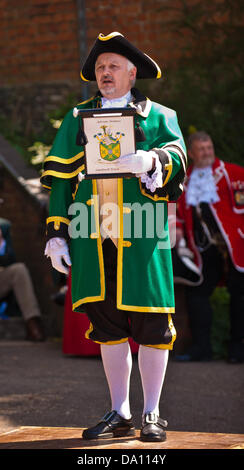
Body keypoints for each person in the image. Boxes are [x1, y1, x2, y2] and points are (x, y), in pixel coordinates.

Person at [41, 32, 187, 442]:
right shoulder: (76, 117)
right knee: (107, 325)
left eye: (113, 66)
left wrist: (153, 159)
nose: (105, 73)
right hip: (92, 234)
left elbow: (178, 159)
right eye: (100, 67)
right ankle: (119, 411)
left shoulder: (160, 116)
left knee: (153, 323)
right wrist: (56, 234)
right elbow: (60, 183)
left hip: (141, 234)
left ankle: (152, 413)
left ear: (132, 72)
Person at [174, 131, 244, 363]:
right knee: (197, 293)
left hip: (236, 247)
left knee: (240, 295)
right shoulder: (185, 180)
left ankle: (237, 349)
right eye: (201, 149)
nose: (207, 152)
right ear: (191, 153)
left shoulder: (233, 173)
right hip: (202, 250)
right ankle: (202, 348)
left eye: (209, 147)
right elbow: (179, 214)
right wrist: (180, 240)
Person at [0, 221, 45, 341]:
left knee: (19, 269)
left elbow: (10, 260)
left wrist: (1, 244)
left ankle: (33, 323)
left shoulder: (3, 227)